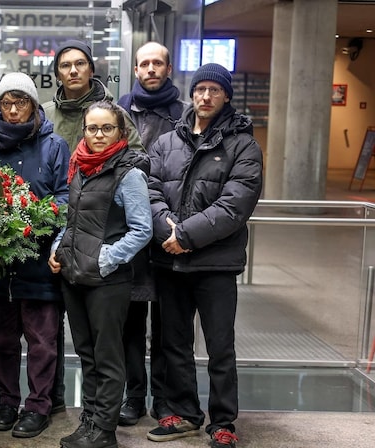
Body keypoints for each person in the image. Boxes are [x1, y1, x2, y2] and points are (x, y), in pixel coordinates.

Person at [145, 63, 263, 448]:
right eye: (200, 89)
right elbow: (149, 190)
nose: (206, 96)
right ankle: (185, 413)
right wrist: (168, 229)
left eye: (215, 89)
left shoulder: (243, 145)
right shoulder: (166, 142)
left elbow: (236, 204)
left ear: (226, 95)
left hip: (216, 263)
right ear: (191, 94)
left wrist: (187, 237)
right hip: (170, 260)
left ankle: (223, 422)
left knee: (219, 346)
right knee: (173, 343)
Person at [42, 38, 145, 416]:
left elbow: (138, 165)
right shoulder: (47, 115)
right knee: (79, 342)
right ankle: (79, 412)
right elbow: (68, 203)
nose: (72, 70)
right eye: (65, 64)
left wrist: (106, 255)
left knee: (110, 346)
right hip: (68, 244)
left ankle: (109, 418)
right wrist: (58, 245)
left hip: (106, 248)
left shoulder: (116, 118)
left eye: (80, 63)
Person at [49, 100, 153, 448]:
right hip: (74, 276)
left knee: (108, 357)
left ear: (120, 132)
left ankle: (105, 432)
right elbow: (73, 220)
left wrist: (105, 259)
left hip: (107, 281)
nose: (98, 134)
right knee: (88, 354)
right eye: (92, 128)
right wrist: (57, 250)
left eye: (106, 128)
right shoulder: (80, 166)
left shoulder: (129, 173)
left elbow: (142, 230)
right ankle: (90, 421)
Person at [0, 72, 70, 439]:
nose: (13, 111)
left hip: (40, 258)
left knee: (42, 339)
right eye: (6, 104)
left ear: (33, 104)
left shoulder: (54, 145)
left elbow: (64, 196)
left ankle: (38, 406)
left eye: (21, 103)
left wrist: (34, 217)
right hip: (0, 260)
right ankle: (7, 402)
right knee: (1, 339)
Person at [115, 41, 186, 426]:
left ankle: (163, 398)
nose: (151, 69)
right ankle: (134, 396)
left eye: (157, 63)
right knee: (130, 323)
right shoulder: (121, 110)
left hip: (171, 231)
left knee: (166, 325)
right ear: (136, 69)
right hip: (130, 233)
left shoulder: (185, 114)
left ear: (169, 68)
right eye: (144, 63)